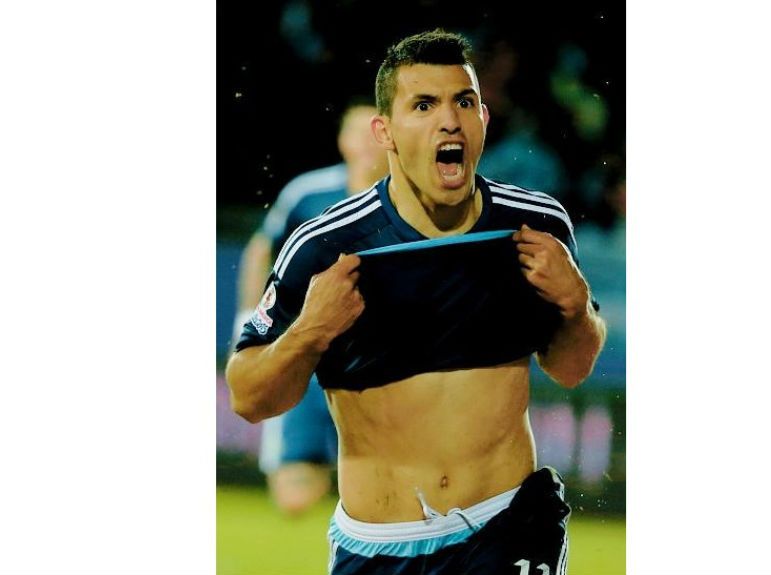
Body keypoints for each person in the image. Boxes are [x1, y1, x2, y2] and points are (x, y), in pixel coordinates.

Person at [227, 29, 606, 574]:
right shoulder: (326, 246)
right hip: (378, 546)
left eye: (464, 102)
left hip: (507, 527)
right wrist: (311, 331)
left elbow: (571, 368)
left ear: (483, 120)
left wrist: (576, 305)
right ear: (385, 131)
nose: (449, 120)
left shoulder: (535, 225)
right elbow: (249, 397)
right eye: (424, 105)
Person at [233, 102, 388, 515]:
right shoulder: (308, 194)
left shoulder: (412, 199)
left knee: (381, 487)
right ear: (342, 140)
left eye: (374, 131)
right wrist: (249, 320)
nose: (366, 143)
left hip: (379, 356)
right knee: (294, 494)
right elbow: (263, 249)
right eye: (356, 132)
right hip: (309, 346)